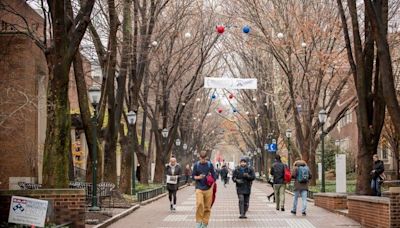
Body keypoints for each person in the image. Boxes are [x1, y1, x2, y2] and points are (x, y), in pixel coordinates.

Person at [192, 151, 217, 228]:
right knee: (199, 204)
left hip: (208, 188)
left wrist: (210, 178)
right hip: (199, 187)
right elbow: (193, 176)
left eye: (204, 158)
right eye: (201, 158)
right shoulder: (196, 165)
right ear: (199, 157)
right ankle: (198, 223)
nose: (202, 160)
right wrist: (198, 177)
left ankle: (205, 223)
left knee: (207, 207)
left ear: (206, 157)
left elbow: (214, 176)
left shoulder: (210, 165)